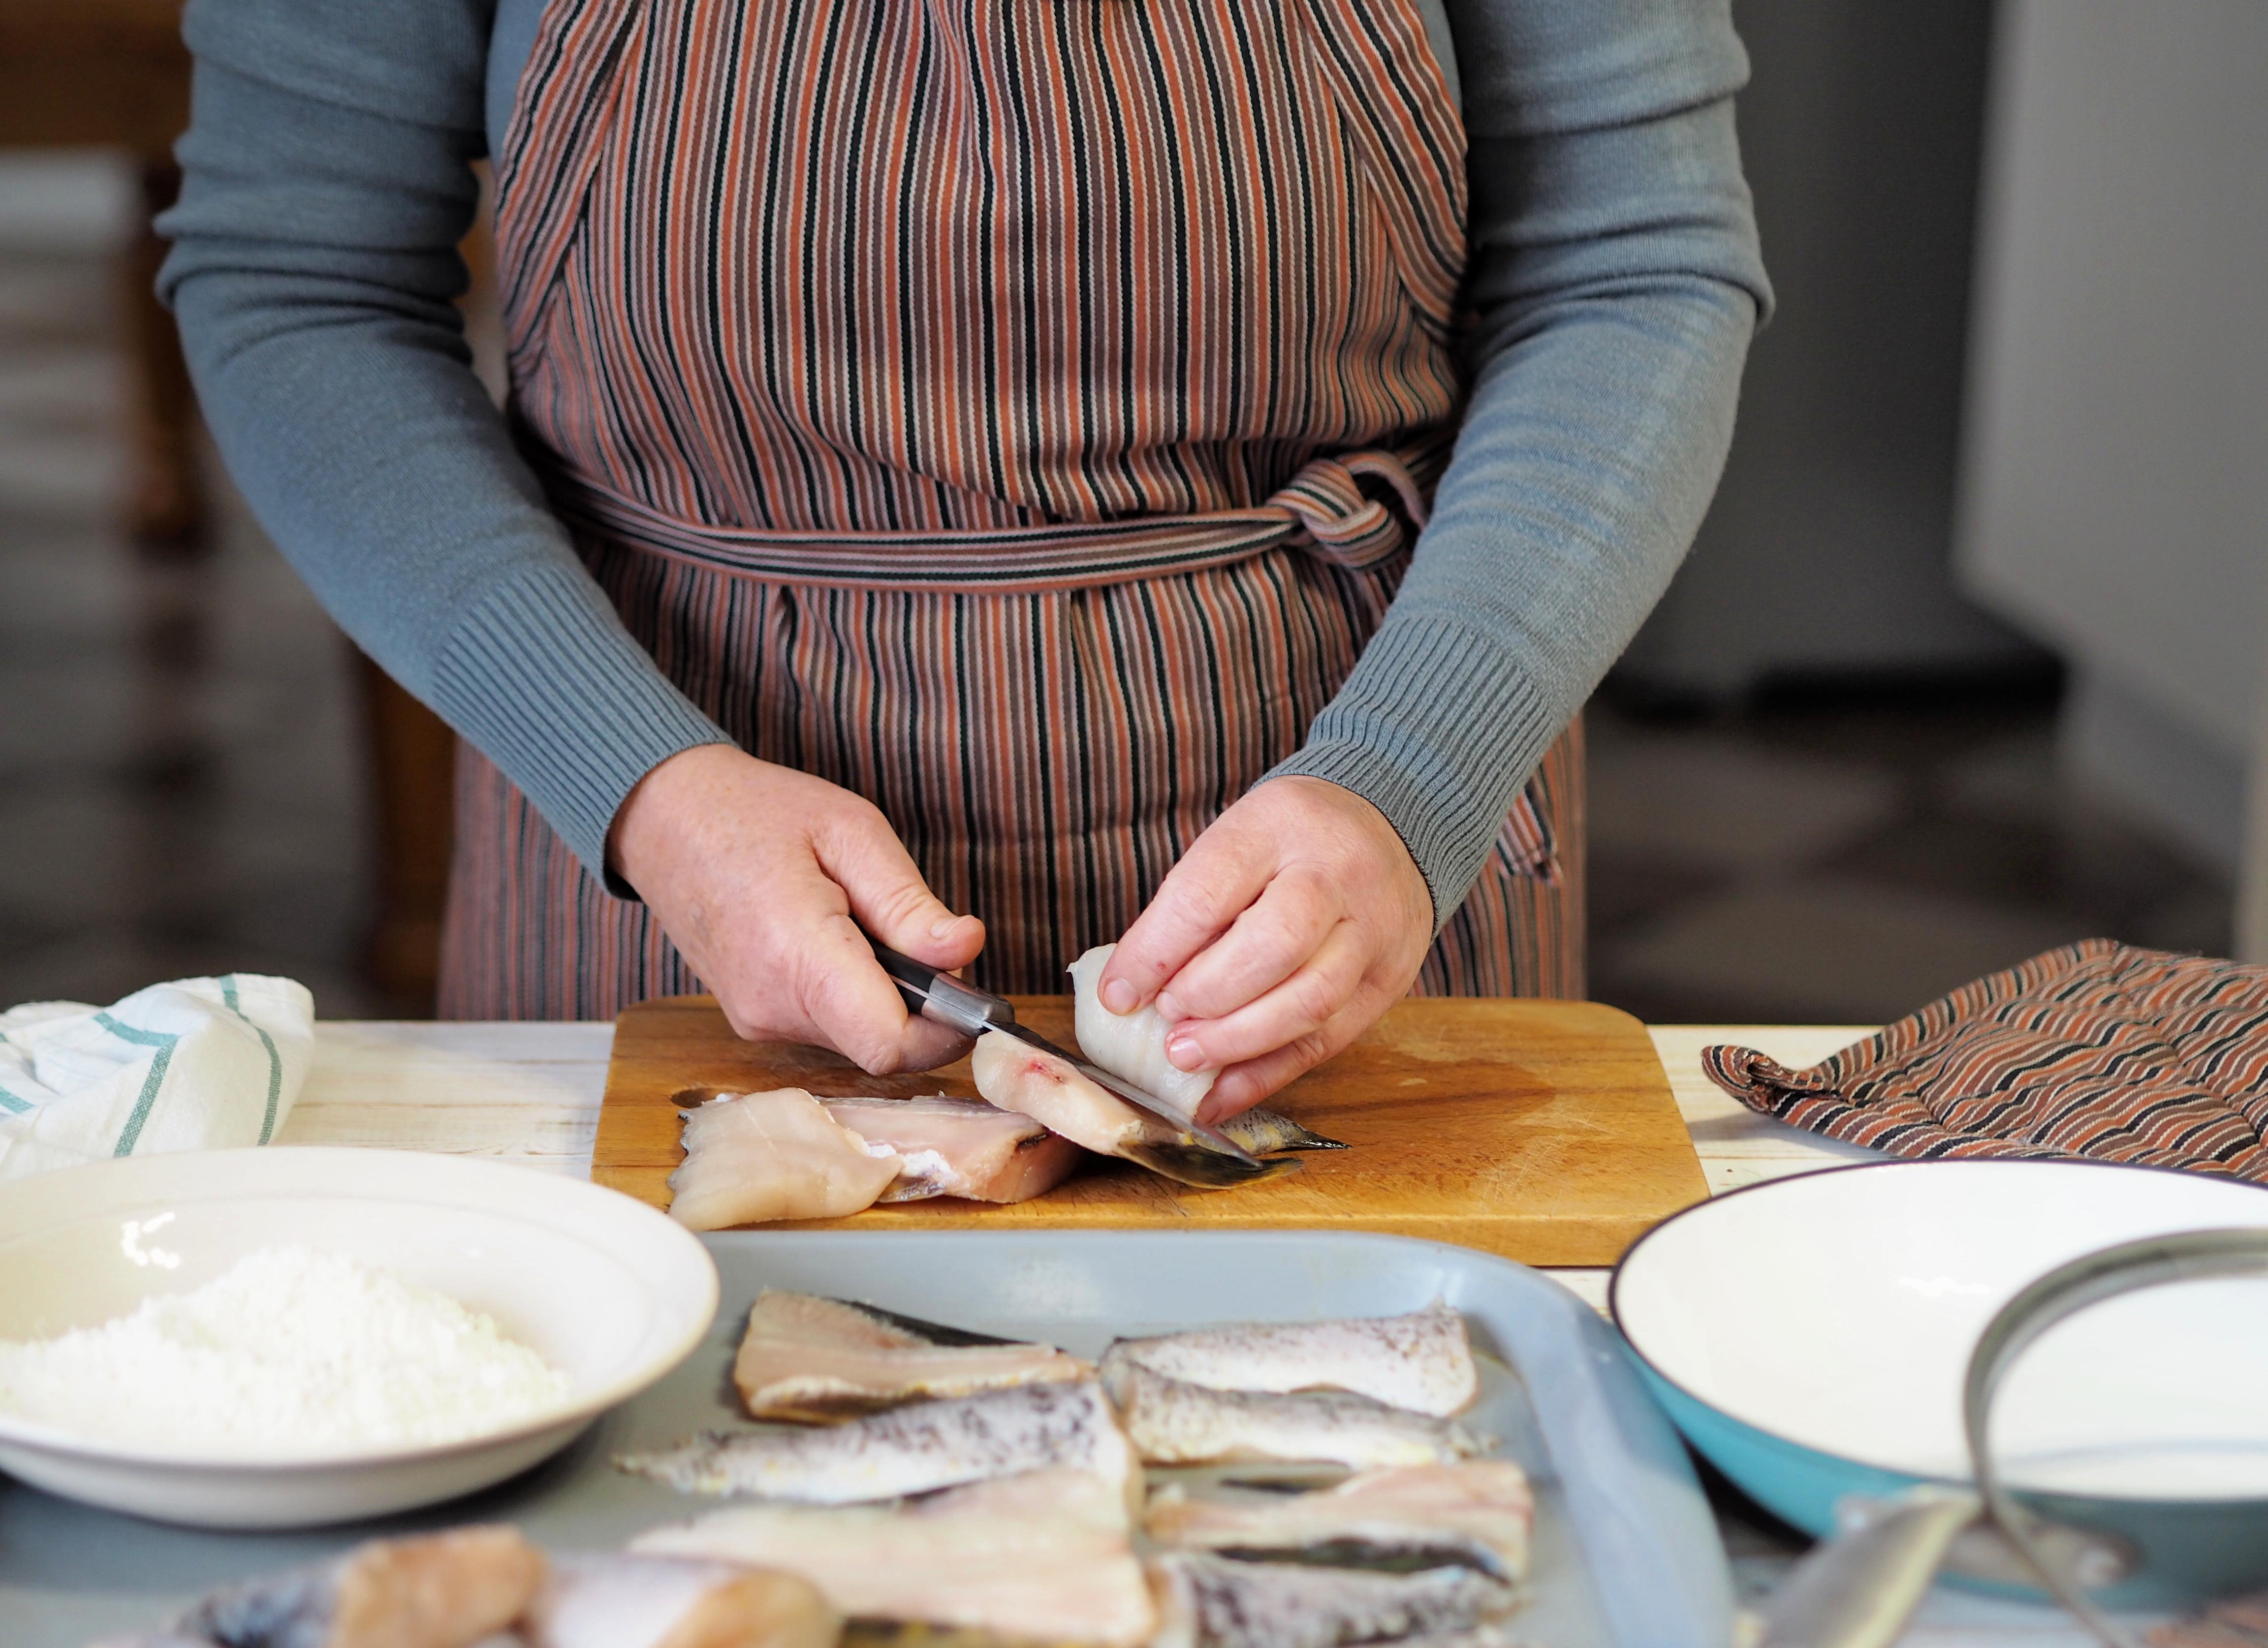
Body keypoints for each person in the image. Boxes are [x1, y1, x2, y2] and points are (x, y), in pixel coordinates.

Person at [160, 0, 1768, 1120]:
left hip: (1347, 840)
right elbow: (298, 281)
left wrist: (1413, 772)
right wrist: (644, 784)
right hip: (653, 855)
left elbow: (1634, 267)